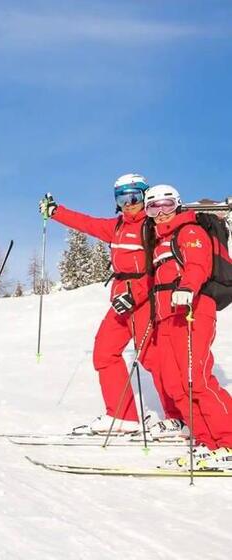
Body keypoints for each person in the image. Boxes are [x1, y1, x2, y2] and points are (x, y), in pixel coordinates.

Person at [39, 173, 181, 437]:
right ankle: (122, 416)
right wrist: (56, 212)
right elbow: (86, 223)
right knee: (104, 352)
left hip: (145, 301)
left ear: (145, 196)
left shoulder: (153, 228)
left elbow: (160, 269)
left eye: (134, 197)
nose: (129, 203)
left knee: (154, 359)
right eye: (122, 198)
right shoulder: (116, 227)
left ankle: (178, 418)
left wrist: (136, 294)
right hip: (120, 302)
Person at [145, 185, 232, 468]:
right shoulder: (159, 241)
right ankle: (207, 441)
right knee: (175, 383)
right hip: (167, 318)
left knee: (198, 380)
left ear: (178, 204)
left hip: (194, 310)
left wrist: (188, 287)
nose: (160, 213)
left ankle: (228, 440)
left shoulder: (190, 231)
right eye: (153, 207)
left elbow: (197, 265)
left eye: (166, 205)